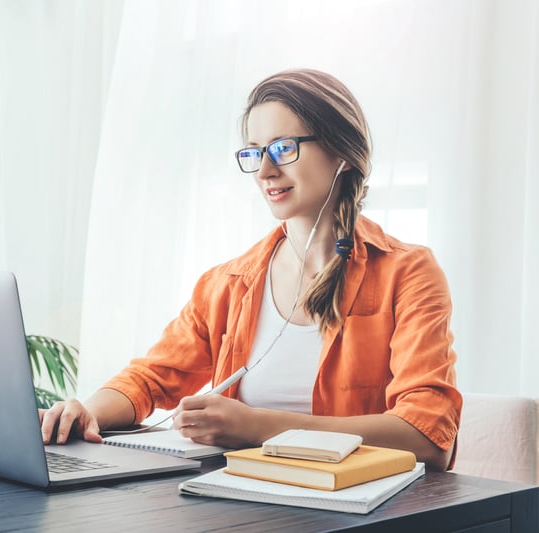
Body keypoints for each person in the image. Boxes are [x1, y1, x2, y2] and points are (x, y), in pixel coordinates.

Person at [40, 68, 461, 471]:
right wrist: (87, 411)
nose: (264, 171)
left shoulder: (408, 274)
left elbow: (428, 438)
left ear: (342, 154)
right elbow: (152, 378)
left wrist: (256, 426)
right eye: (255, 153)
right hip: (242, 503)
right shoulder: (228, 283)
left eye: (283, 148)